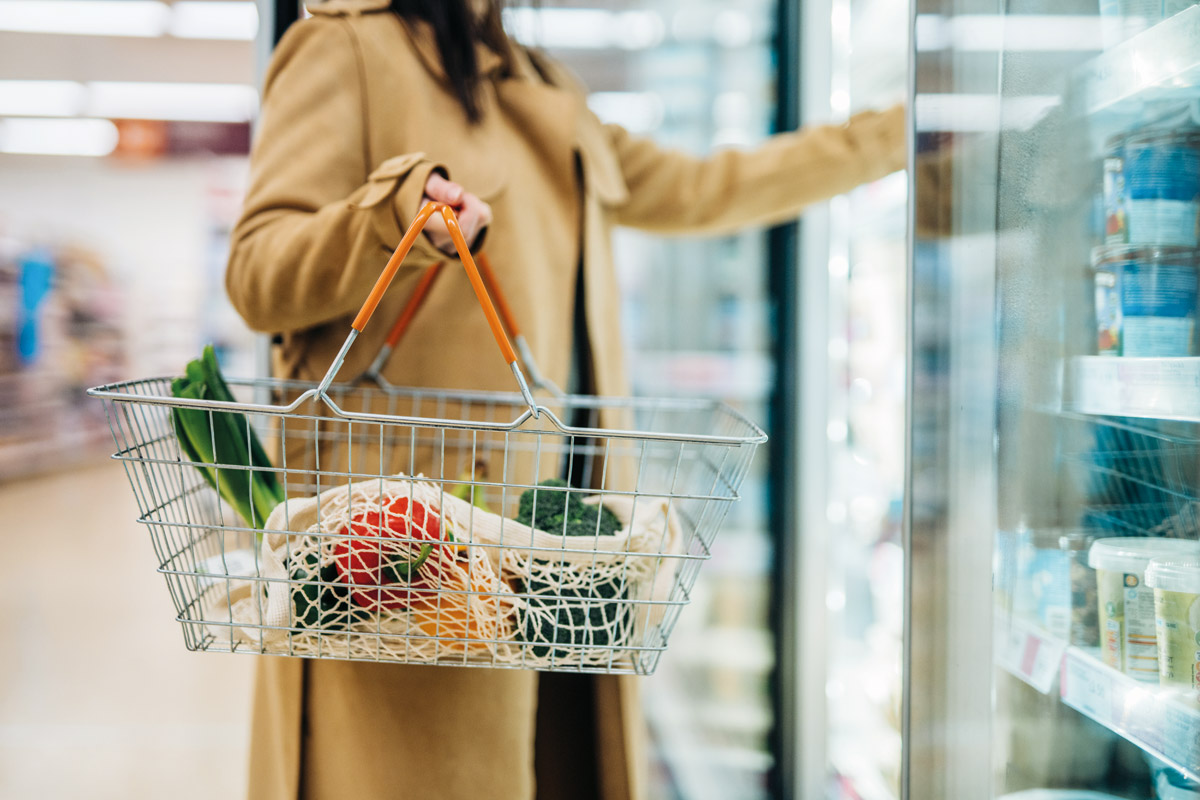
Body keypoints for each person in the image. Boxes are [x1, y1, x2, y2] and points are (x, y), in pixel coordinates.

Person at [225, 0, 905, 797]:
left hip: (561, 553)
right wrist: (391, 215)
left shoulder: (537, 77)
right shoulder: (342, 49)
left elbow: (700, 189)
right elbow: (257, 275)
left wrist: (897, 133)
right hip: (408, 564)